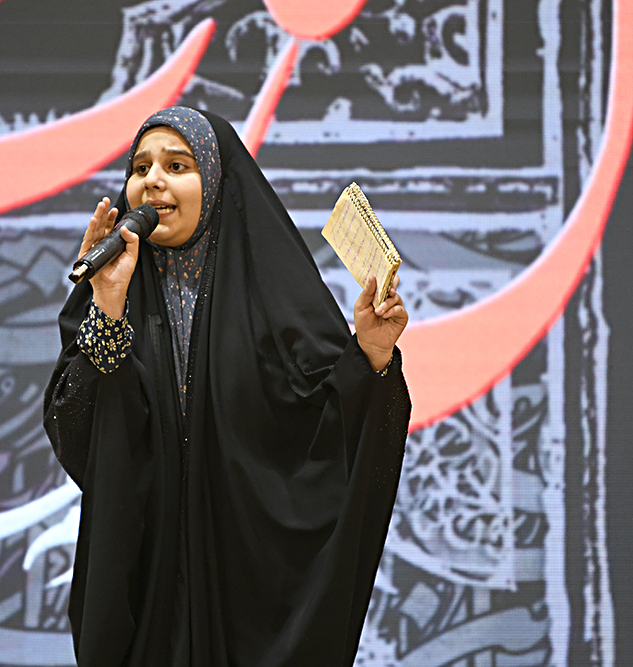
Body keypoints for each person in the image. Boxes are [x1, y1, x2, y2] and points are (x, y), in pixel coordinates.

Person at [44, 106, 411, 667]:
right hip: (145, 585)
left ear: (216, 184)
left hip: (251, 589)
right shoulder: (109, 294)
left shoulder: (275, 296)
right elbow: (78, 436)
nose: (152, 181)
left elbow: (331, 438)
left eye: (177, 166)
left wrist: (371, 358)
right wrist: (109, 309)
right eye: (140, 168)